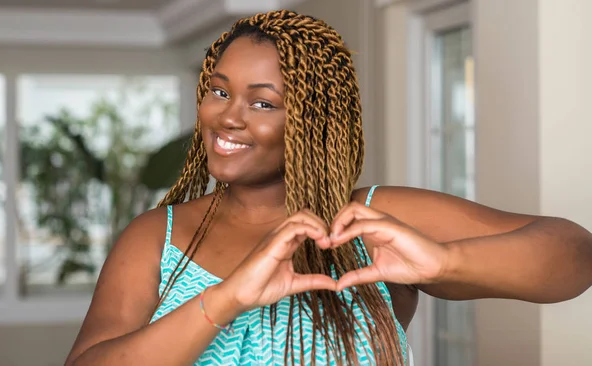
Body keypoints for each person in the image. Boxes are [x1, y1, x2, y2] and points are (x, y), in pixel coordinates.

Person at [65, 10, 592, 366]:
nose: (227, 117)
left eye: (263, 102)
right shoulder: (159, 235)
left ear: (314, 121)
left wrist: (443, 263)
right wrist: (225, 300)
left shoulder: (367, 220)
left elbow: (575, 256)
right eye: (218, 91)